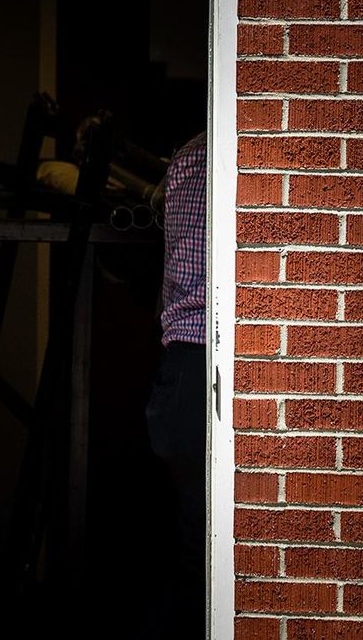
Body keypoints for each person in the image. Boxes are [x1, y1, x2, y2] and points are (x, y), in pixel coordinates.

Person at [142, 130, 206, 640]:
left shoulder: (187, 155)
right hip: (204, 359)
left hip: (185, 365)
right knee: (203, 557)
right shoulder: (222, 151)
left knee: (196, 549)